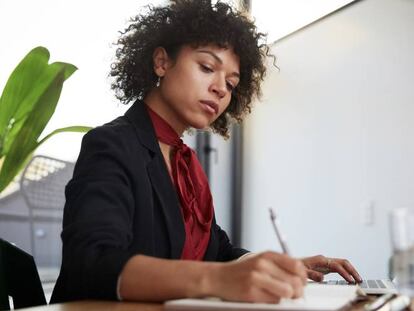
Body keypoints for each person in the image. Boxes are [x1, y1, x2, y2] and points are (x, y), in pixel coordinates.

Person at [51, 0, 362, 304]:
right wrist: (214, 279)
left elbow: (218, 252)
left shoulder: (185, 163)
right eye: (207, 67)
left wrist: (280, 266)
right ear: (162, 62)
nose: (221, 88)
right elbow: (92, 263)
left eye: (231, 82)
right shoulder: (111, 144)